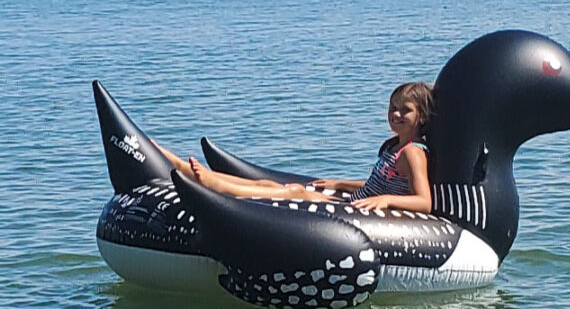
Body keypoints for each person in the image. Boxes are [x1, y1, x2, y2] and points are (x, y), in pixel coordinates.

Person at [158, 81, 434, 213]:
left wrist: (386, 201)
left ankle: (214, 186)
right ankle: (196, 172)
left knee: (295, 191)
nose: (396, 114)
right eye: (392, 108)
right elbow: (382, 184)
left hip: (361, 211)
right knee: (269, 183)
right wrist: (341, 183)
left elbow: (424, 201)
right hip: (353, 199)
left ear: (420, 117)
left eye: (405, 111)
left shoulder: (412, 152)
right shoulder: (394, 147)